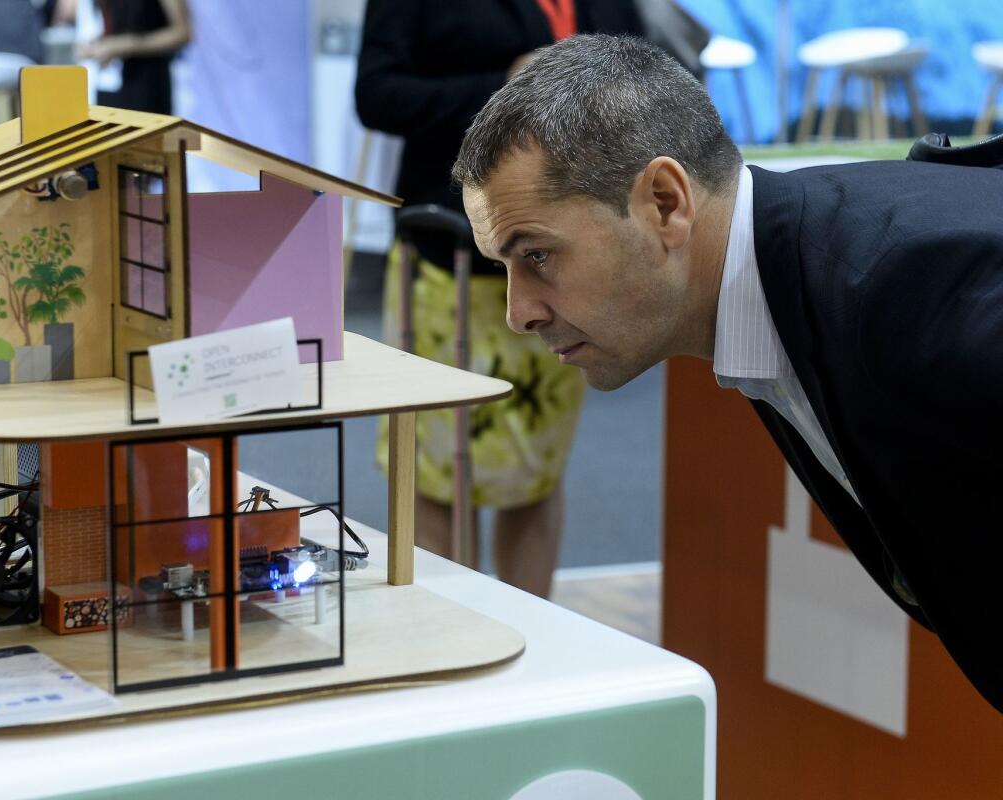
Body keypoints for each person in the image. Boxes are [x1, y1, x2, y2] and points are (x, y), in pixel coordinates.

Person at [452, 32, 1003, 711]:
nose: (517, 313)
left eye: (535, 255)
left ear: (664, 201)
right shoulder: (793, 269)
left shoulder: (907, 291)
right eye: (501, 266)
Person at [354, 1, 645, 598]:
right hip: (446, 259)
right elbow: (377, 94)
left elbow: (642, 76)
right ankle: (441, 638)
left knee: (536, 471)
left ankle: (534, 638)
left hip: (572, 258)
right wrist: (505, 87)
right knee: (434, 471)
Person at [76, 0, 190, 115]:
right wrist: (98, 44)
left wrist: (127, 45)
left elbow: (182, 32)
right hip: (110, 84)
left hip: (147, 85)